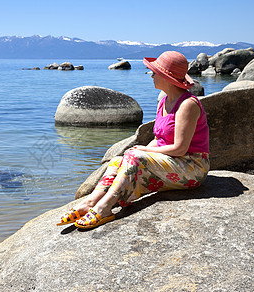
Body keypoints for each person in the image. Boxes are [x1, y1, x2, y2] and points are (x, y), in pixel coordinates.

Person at [57, 51, 210, 229]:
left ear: (167, 77)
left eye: (155, 72)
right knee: (117, 161)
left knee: (136, 157)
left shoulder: (187, 105)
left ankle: (104, 207)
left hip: (192, 166)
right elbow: (160, 139)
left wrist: (143, 151)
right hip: (173, 161)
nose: (151, 75)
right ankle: (90, 201)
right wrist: (140, 150)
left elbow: (180, 149)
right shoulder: (164, 102)